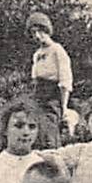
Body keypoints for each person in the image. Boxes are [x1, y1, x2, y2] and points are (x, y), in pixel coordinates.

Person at [26, 12, 72, 147]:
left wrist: (63, 106)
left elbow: (65, 80)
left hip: (53, 96)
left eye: (40, 31)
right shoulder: (37, 54)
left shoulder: (57, 50)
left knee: (49, 132)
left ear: (47, 30)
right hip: (38, 95)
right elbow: (34, 79)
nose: (37, 36)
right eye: (33, 33)